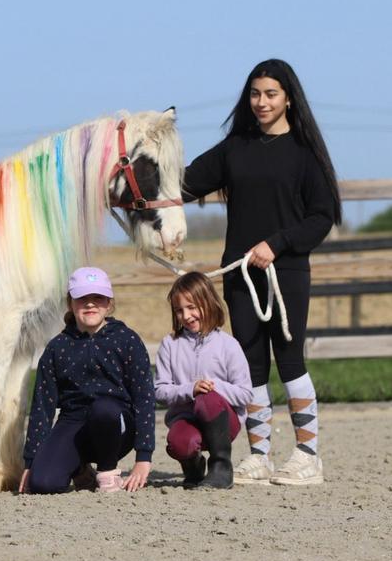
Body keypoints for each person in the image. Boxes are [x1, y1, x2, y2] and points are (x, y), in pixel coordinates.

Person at [181, 59, 342, 486]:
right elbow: (184, 184)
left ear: (288, 98)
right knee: (250, 365)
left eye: (271, 94)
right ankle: (259, 457)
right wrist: (134, 190)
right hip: (240, 276)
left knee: (290, 361)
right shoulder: (234, 148)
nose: (262, 102)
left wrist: (278, 244)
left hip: (285, 272)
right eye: (255, 94)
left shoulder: (305, 154)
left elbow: (322, 216)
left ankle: (307, 456)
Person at [19, 266, 156, 494]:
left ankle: (107, 472)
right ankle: (80, 469)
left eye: (98, 298)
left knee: (103, 410)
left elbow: (144, 398)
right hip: (73, 422)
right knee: (43, 483)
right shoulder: (56, 348)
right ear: (70, 303)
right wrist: (31, 460)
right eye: (82, 298)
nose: (90, 304)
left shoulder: (127, 340)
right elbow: (42, 407)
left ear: (109, 303)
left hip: (116, 424)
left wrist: (144, 456)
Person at [154, 271, 252, 489]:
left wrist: (213, 387)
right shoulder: (169, 344)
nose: (186, 316)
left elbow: (246, 394)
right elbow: (159, 391)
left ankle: (221, 466)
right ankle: (193, 465)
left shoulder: (228, 345)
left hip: (223, 423)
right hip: (186, 418)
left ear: (208, 302)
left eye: (192, 307)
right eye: (179, 310)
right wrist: (190, 389)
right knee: (179, 443)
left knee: (207, 399)